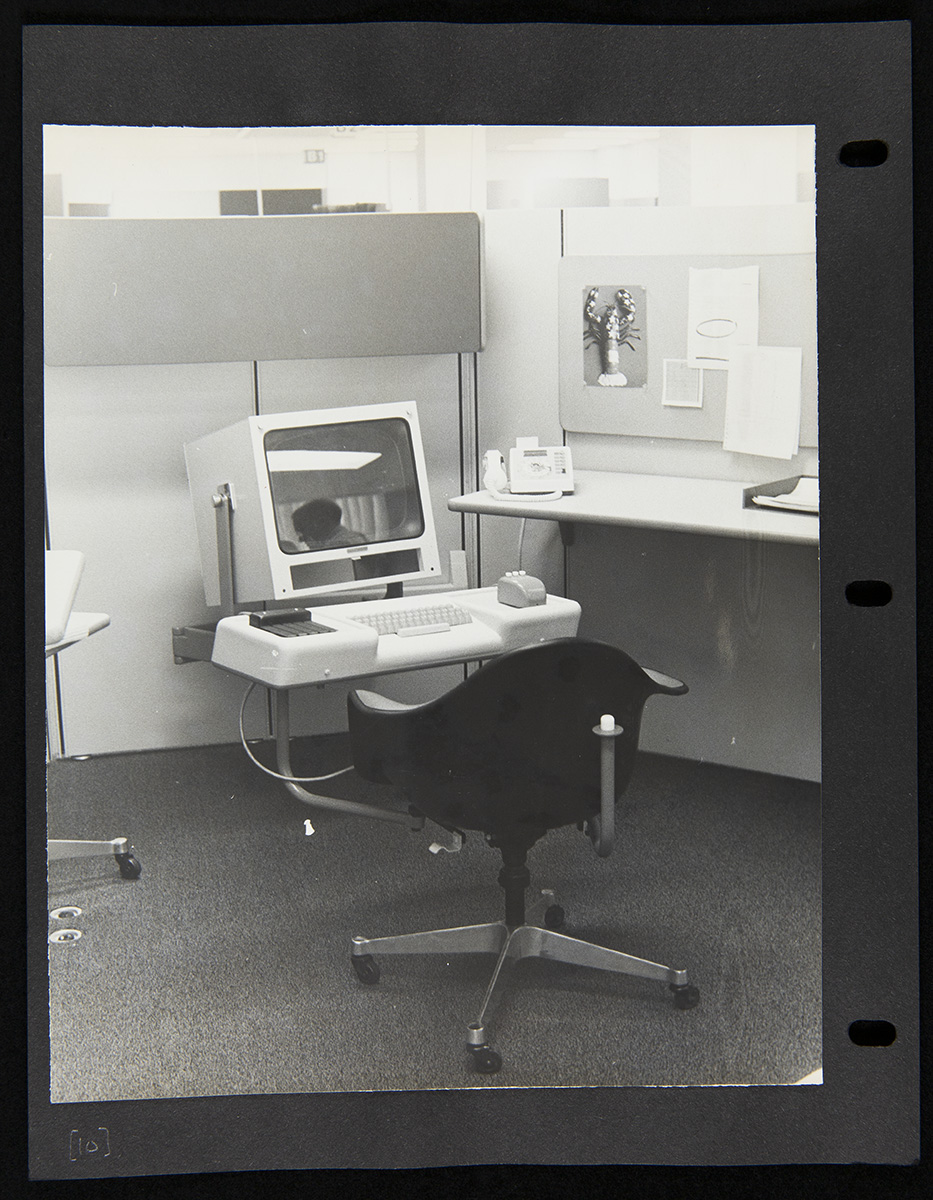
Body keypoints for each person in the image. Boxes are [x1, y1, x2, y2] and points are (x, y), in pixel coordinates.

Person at [291, 498, 367, 549]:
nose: (301, 540)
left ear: (320, 522)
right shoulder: (356, 536)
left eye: (303, 530)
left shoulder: (337, 544)